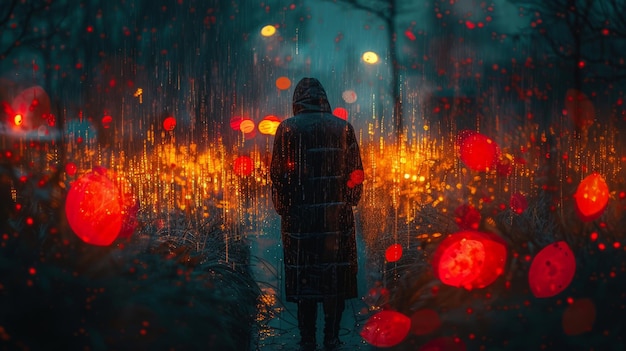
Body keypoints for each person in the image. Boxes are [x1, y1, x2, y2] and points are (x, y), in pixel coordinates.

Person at [270, 77, 364, 351]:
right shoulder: (342, 128)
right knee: (333, 277)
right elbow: (356, 174)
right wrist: (347, 202)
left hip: (300, 220)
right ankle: (332, 336)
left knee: (305, 278)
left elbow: (279, 175)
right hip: (337, 219)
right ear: (324, 99)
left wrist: (286, 207)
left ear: (297, 101)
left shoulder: (288, 130)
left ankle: (308, 338)